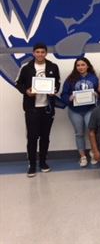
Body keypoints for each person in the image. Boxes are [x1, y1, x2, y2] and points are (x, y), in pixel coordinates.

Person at [15, 43, 61, 177]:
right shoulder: (26, 68)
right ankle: (32, 164)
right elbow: (18, 83)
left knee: (45, 137)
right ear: (33, 53)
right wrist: (26, 91)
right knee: (32, 137)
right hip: (32, 108)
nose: (40, 54)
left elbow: (57, 82)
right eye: (37, 52)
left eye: (42, 52)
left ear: (46, 53)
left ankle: (43, 162)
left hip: (47, 108)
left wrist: (55, 90)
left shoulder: (53, 66)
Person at [61, 57, 99, 167]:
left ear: (87, 66)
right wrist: (69, 98)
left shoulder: (94, 78)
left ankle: (93, 152)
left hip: (90, 109)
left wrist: (97, 94)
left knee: (92, 131)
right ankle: (82, 156)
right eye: (78, 65)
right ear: (75, 67)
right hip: (75, 111)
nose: (80, 67)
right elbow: (63, 94)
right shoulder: (70, 79)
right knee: (79, 133)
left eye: (83, 65)